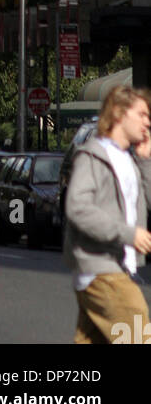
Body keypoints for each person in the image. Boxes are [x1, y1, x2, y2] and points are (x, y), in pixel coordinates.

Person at [64, 85, 151, 344]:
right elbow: (77, 208)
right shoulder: (93, 156)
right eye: (142, 114)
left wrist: (145, 159)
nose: (148, 122)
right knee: (139, 337)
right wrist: (128, 234)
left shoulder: (128, 160)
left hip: (118, 267)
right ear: (118, 113)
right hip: (101, 269)